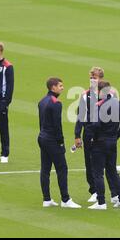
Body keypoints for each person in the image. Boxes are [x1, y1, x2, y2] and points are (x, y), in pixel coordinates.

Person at [74, 67, 118, 204]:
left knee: (109, 165)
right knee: (89, 163)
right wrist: (77, 135)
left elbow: (117, 114)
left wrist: (115, 133)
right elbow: (80, 115)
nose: (93, 80)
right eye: (91, 78)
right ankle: (94, 191)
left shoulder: (111, 94)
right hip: (89, 132)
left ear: (101, 79)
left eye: (95, 78)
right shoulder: (85, 94)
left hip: (105, 134)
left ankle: (114, 193)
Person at [38, 77, 81, 208]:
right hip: (52, 140)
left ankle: (46, 199)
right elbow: (57, 126)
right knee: (62, 169)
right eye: (60, 86)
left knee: (45, 169)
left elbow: (41, 122)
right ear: (53, 88)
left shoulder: (42, 101)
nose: (62, 88)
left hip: (42, 137)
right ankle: (65, 199)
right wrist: (61, 142)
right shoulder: (56, 103)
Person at [87, 81, 120, 210]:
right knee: (112, 172)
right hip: (112, 142)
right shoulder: (118, 102)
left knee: (98, 173)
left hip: (100, 142)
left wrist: (89, 137)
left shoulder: (99, 105)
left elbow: (96, 125)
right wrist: (116, 136)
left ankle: (101, 202)